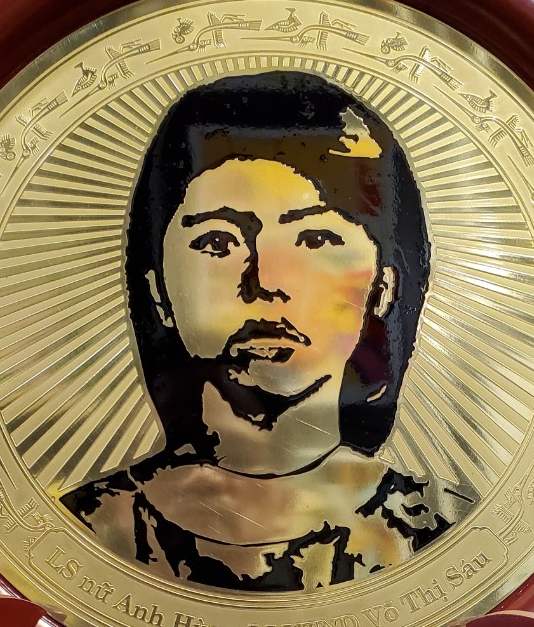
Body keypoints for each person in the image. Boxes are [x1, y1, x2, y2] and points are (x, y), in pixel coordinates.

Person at [60, 71, 472, 591]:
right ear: (159, 290)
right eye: (218, 243)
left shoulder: (449, 537)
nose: (265, 283)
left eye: (315, 239)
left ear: (381, 288)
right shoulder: (79, 536)